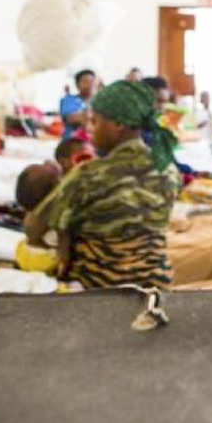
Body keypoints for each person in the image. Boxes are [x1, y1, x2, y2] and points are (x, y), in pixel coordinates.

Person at [25, 80, 182, 289]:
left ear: (118, 125)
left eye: (95, 122)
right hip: (155, 288)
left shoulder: (89, 174)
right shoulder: (169, 171)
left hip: (99, 290)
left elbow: (33, 228)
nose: (89, 130)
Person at [60, 69, 98, 139]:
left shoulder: (99, 101)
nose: (90, 85)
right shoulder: (69, 100)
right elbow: (72, 118)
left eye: (92, 81)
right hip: (72, 143)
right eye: (86, 82)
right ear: (78, 84)